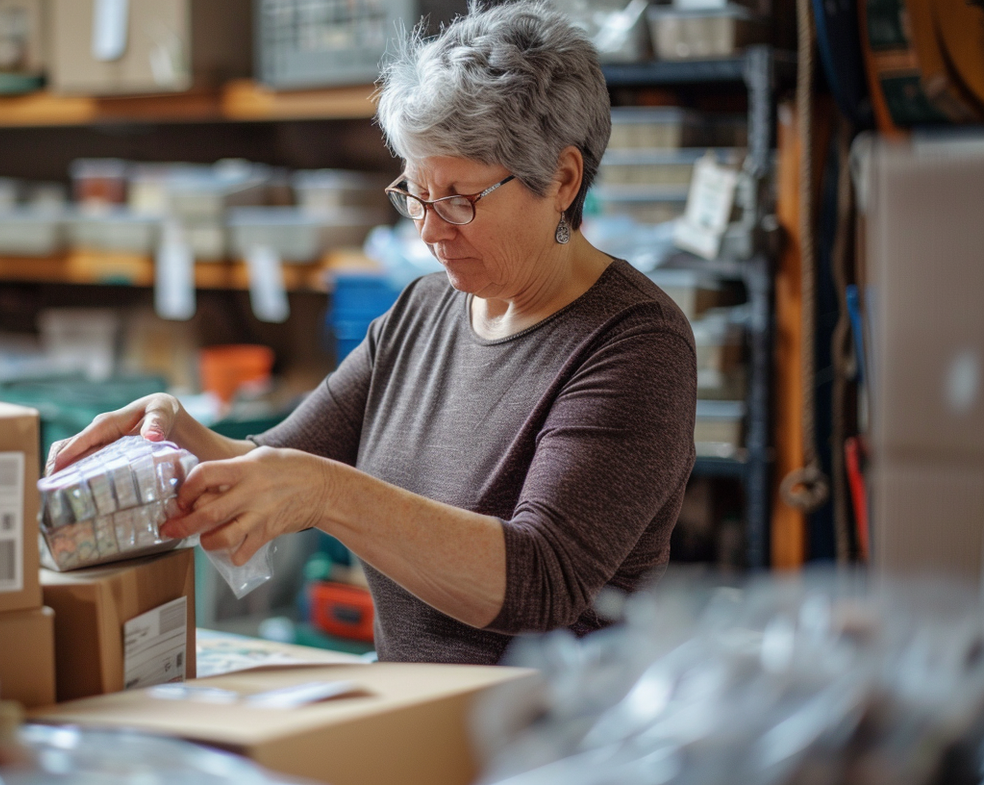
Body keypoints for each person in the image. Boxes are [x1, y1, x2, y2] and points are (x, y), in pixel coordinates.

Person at [46, 2, 697, 665]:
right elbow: (265, 467)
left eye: (458, 199)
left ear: (561, 180)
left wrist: (329, 492)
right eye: (415, 193)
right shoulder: (422, 311)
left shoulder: (634, 344)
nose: (430, 229)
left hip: (545, 744)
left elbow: (541, 583)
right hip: (416, 718)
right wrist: (178, 431)